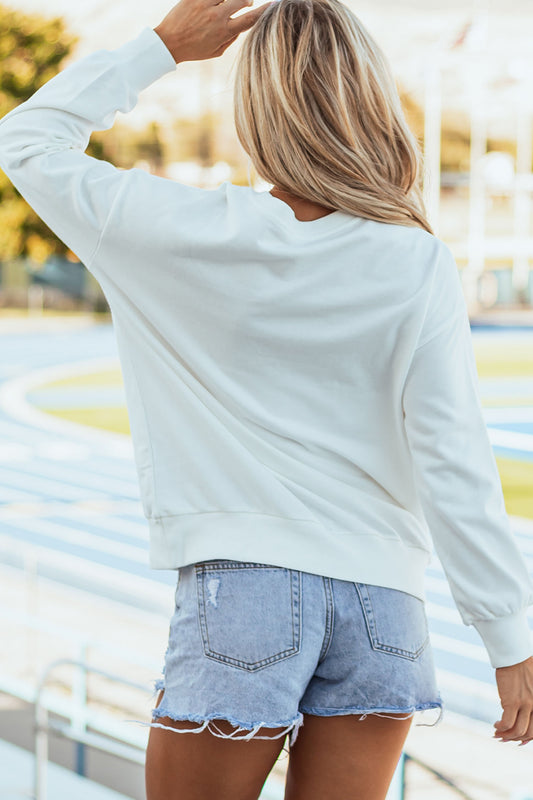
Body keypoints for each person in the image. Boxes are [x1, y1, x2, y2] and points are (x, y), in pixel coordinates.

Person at [0, 0, 532, 797]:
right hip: (386, 608)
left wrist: (161, 48)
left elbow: (27, 141)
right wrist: (509, 641)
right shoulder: (415, 258)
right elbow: (453, 458)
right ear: (367, 97)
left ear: (256, 104)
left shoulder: (179, 229)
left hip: (242, 595)